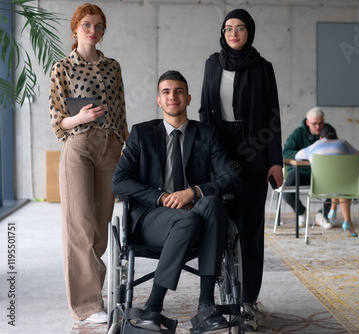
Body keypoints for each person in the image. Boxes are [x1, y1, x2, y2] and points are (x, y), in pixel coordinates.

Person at [112, 70, 242, 332]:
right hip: (153, 218)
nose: (173, 96)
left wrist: (193, 191)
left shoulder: (206, 134)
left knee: (212, 204)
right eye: (166, 92)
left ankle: (206, 304)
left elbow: (233, 178)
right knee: (189, 218)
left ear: (189, 98)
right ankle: (153, 306)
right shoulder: (141, 134)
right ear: (159, 100)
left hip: (200, 219)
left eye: (179, 91)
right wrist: (160, 197)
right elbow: (119, 181)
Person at [198, 8, 282, 331]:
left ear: (250, 33)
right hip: (218, 148)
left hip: (255, 150)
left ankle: (248, 300)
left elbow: (272, 116)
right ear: (223, 32)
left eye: (240, 28)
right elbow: (206, 110)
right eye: (228, 28)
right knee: (218, 222)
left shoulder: (262, 68)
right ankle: (218, 293)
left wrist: (276, 161)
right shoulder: (212, 64)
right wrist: (203, 153)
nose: (233, 34)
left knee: (250, 227)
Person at [48, 3, 128, 323]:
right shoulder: (62, 68)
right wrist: (78, 117)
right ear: (75, 29)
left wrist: (128, 145)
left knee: (99, 229)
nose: (93, 31)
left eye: (99, 26)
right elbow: (57, 121)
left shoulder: (113, 67)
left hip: (110, 147)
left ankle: (95, 293)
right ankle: (87, 306)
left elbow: (121, 112)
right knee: (79, 226)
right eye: (86, 25)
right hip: (78, 146)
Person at [295, 125, 359, 237]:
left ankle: (333, 209)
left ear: (320, 138)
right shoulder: (343, 143)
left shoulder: (315, 145)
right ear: (336, 136)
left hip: (320, 187)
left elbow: (297, 156)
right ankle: (346, 220)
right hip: (345, 186)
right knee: (340, 182)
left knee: (335, 182)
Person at [283, 107, 335, 229]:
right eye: (314, 124)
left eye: (320, 123)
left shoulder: (328, 130)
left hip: (324, 174)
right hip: (301, 172)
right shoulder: (298, 133)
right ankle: (301, 212)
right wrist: (306, 156)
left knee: (338, 183)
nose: (318, 127)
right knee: (287, 190)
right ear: (307, 122)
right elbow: (286, 152)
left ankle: (322, 215)